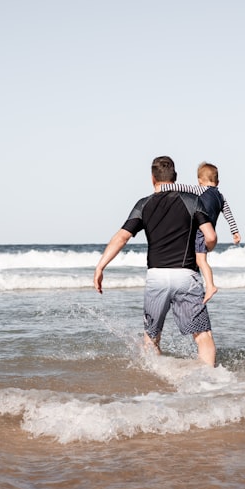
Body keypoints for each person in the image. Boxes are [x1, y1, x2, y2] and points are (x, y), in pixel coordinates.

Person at [93, 156, 218, 366]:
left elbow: (121, 237)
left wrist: (100, 266)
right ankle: (209, 383)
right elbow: (211, 236)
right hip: (186, 276)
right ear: (175, 177)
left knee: (151, 338)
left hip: (156, 277)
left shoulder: (144, 204)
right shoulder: (192, 201)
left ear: (153, 179)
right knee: (203, 336)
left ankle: (160, 381)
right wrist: (206, 251)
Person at [160, 161, 241, 303]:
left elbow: (179, 187)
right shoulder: (221, 197)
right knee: (199, 260)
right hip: (210, 231)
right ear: (218, 181)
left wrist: (162, 187)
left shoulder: (200, 190)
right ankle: (200, 285)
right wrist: (235, 232)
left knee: (201, 260)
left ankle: (210, 286)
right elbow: (229, 215)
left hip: (200, 231)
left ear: (199, 181)